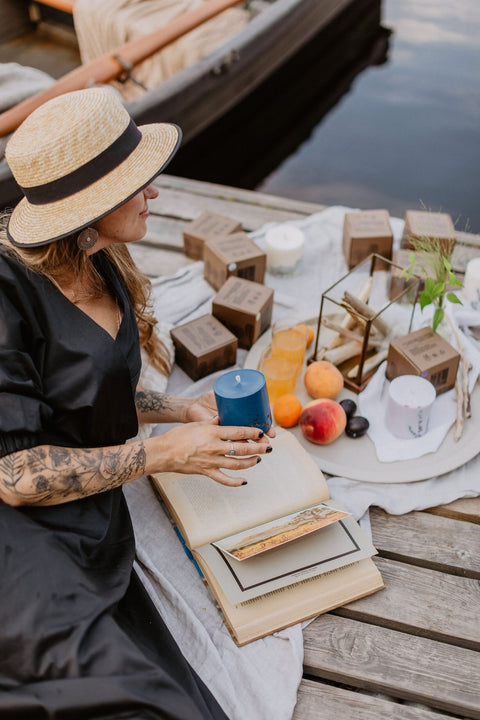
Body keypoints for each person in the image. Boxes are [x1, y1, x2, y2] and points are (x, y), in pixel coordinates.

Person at [0, 87, 273, 719]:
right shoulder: (8, 294)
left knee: (151, 688)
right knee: (121, 691)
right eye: (137, 183)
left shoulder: (101, 258)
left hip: (87, 514)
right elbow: (14, 476)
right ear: (87, 206)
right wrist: (163, 453)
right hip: (19, 527)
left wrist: (179, 411)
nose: (156, 194)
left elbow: (91, 387)